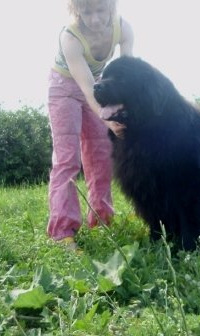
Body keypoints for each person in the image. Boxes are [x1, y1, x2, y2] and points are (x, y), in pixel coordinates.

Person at [47, 0, 134, 251]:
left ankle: (102, 220)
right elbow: (86, 88)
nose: (94, 19)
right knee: (68, 159)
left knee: (101, 157)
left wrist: (124, 112)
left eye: (100, 11)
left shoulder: (123, 29)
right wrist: (107, 116)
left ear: (111, 7)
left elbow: (127, 74)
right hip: (64, 89)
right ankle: (63, 232)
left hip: (97, 85)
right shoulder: (70, 37)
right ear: (76, 10)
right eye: (86, 12)